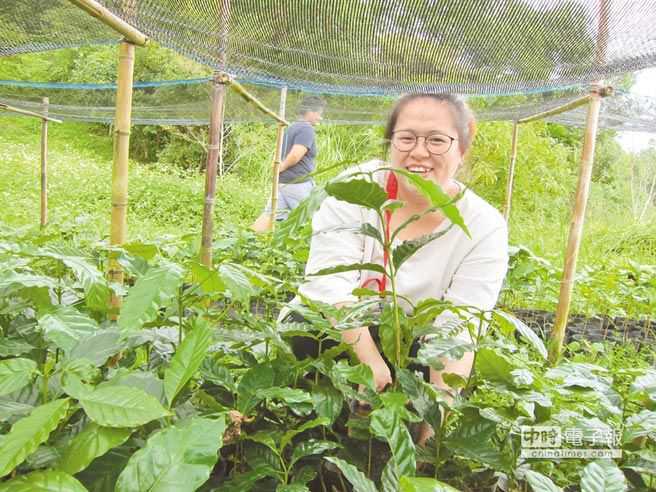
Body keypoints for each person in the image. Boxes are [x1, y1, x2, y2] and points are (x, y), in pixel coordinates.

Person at [294, 94, 509, 434]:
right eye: (406, 138)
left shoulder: (484, 225)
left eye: (437, 140)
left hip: (410, 348)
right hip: (341, 332)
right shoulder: (358, 188)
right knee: (303, 328)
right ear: (391, 141)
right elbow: (327, 286)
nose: (419, 152)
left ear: (463, 146)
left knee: (419, 396)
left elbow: (458, 328)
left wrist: (433, 428)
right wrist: (370, 364)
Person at [251, 95, 326, 232]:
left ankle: (246, 240)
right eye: (318, 114)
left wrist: (278, 170)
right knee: (315, 217)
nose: (320, 118)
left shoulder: (291, 127)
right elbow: (296, 154)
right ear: (310, 112)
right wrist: (281, 168)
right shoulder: (306, 129)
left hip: (284, 182)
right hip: (297, 183)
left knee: (269, 214)